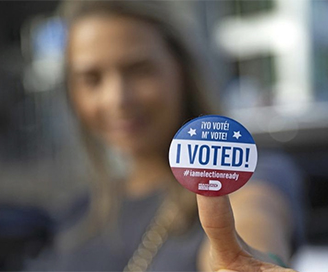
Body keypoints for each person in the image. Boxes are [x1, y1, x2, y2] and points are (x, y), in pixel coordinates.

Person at [29, 1, 304, 271]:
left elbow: (255, 215)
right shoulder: (77, 214)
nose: (117, 99)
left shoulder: (237, 174)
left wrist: (250, 259)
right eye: (92, 78)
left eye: (139, 70)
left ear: (181, 72)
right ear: (72, 94)